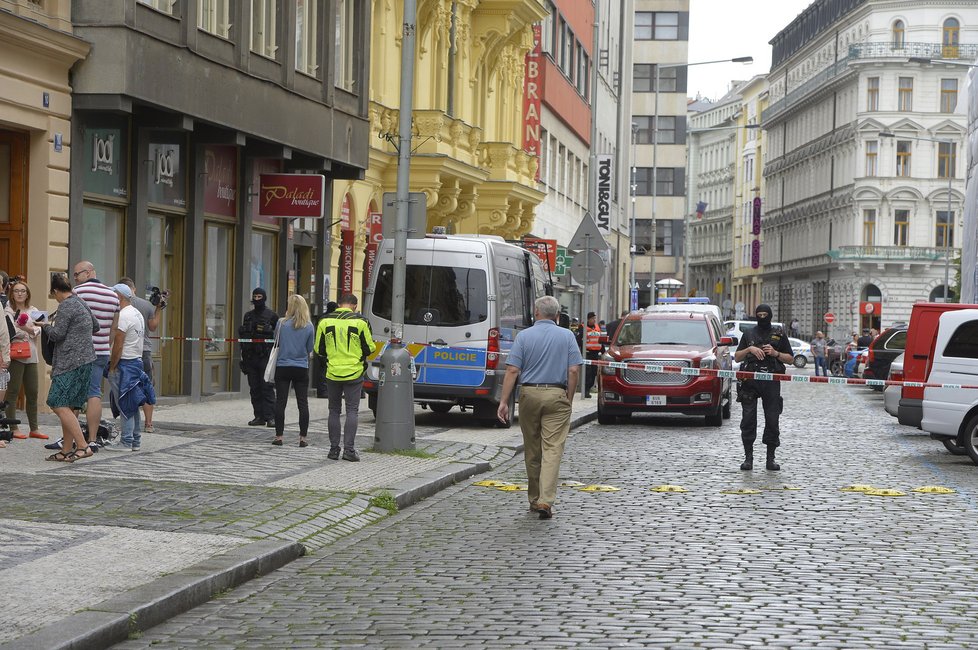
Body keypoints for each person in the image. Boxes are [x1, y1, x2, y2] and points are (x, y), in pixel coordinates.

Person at [497, 295, 582, 520]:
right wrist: (569, 398)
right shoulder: (567, 336)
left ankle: (534, 499)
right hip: (557, 394)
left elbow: (512, 370)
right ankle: (546, 500)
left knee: (532, 449)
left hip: (529, 394)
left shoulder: (524, 336)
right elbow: (574, 371)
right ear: (556, 316)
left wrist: (504, 401)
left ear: (535, 313)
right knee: (552, 449)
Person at [32, 272, 98, 462]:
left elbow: (58, 334)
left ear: (55, 291)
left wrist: (43, 325)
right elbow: (96, 326)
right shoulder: (80, 301)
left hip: (70, 362)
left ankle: (83, 446)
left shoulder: (66, 306)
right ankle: (66, 450)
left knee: (56, 401)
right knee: (69, 406)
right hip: (86, 360)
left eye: (53, 295)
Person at [314, 294, 376, 462]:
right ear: (354, 306)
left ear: (339, 304)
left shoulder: (324, 321)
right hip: (354, 372)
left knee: (334, 410)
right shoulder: (361, 322)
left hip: (333, 371)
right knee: (352, 410)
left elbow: (318, 349)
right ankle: (349, 450)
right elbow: (370, 347)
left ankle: (333, 450)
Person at [733, 304, 793, 471]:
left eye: (765, 314)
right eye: (759, 314)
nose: (762, 317)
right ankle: (748, 458)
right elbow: (737, 357)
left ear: (770, 315)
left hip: (771, 381)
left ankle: (770, 458)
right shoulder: (749, 333)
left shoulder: (779, 334)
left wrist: (775, 353)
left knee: (772, 420)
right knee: (748, 419)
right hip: (750, 381)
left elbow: (790, 359)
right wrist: (750, 349)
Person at [72, 261, 119, 450]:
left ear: (89, 272)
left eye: (77, 274)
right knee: (94, 393)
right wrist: (106, 344)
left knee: (73, 394)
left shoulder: (78, 292)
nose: (75, 278)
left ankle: (71, 439)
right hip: (101, 351)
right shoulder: (112, 295)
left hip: (81, 352)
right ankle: (92, 439)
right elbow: (114, 327)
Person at [105, 283, 155, 451]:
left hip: (125, 363)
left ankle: (126, 441)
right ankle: (135, 440)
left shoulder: (125, 315)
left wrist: (112, 366)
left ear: (118, 297)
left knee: (125, 403)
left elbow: (119, 343)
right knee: (132, 403)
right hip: (136, 361)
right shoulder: (137, 313)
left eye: (113, 296)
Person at [120, 277, 163, 433]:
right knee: (146, 385)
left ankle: (128, 424)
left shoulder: (120, 304)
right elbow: (153, 327)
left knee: (126, 387)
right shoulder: (146, 305)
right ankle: (149, 424)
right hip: (143, 350)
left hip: (125, 351)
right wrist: (159, 309)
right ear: (134, 288)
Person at [271, 294, 314, 447]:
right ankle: (302, 438)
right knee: (303, 403)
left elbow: (276, 340)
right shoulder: (309, 326)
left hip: (283, 366)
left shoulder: (281, 323)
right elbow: (310, 348)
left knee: (280, 402)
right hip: (301, 367)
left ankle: (279, 437)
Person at [5, 279, 45, 439]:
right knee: (13, 392)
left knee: (33, 392)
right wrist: (29, 330)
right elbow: (10, 332)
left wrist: (26, 329)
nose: (20, 293)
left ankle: (34, 428)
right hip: (16, 355)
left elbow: (41, 327)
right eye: (16, 291)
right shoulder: (8, 311)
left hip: (32, 355)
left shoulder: (33, 310)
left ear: (27, 294)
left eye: (23, 291)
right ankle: (13, 427)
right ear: (12, 294)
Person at [239, 287, 278, 427]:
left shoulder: (272, 316)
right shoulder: (248, 316)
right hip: (250, 357)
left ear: (264, 297)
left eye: (259, 296)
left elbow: (278, 337)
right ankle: (259, 416)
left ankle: (271, 417)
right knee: (254, 388)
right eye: (254, 296)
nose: (256, 299)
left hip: (265, 357)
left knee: (267, 387)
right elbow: (243, 337)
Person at [581, 312, 603, 398]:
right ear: (588, 319)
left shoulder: (597, 327)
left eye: (595, 318)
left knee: (594, 373)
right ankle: (585, 390)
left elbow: (600, 340)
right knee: (588, 373)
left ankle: (589, 388)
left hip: (595, 354)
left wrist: (603, 351)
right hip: (587, 353)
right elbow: (579, 340)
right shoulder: (582, 327)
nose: (594, 320)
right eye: (593, 318)